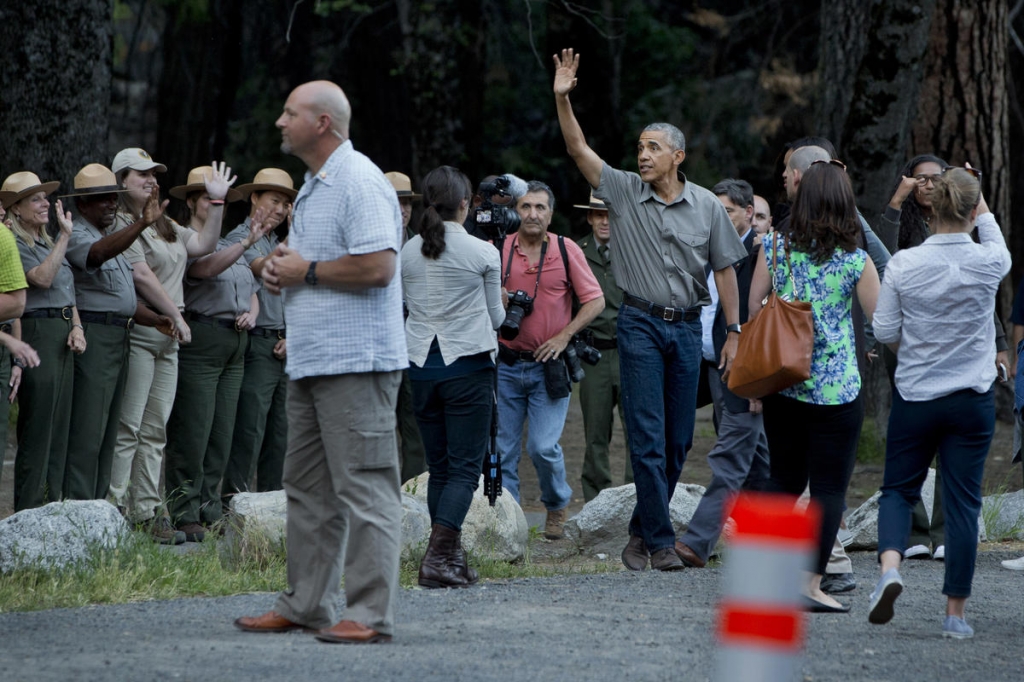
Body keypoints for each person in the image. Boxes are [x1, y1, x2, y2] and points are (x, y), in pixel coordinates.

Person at [553, 48, 747, 571]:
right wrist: (562, 99)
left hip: (686, 329)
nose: (643, 154)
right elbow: (577, 148)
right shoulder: (620, 190)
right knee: (645, 431)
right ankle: (661, 541)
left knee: (678, 437)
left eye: (654, 147)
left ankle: (639, 533)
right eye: (640, 146)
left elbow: (726, 270)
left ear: (677, 156)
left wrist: (734, 331)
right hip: (638, 323)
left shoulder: (707, 204)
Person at [235, 80, 406, 644]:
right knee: (306, 489)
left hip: (358, 362)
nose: (280, 122)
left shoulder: (360, 181)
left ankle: (369, 614)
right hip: (311, 361)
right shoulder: (315, 186)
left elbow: (380, 266)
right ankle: (306, 603)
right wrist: (278, 269)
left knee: (366, 486)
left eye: (290, 113)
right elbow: (312, 264)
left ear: (323, 123)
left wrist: (305, 271)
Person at [869, 167, 1010, 639]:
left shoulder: (905, 264)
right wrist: (977, 191)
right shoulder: (991, 260)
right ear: (972, 210)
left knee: (897, 490)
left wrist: (916, 347)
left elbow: (886, 330)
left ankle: (890, 569)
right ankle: (955, 615)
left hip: (917, 394)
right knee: (964, 502)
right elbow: (989, 229)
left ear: (930, 210)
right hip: (971, 398)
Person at [748, 160, 880, 612]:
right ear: (845, 204)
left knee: (782, 480)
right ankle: (808, 583)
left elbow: (755, 313)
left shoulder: (775, 247)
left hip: (784, 385)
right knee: (827, 492)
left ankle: (761, 579)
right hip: (836, 392)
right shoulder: (856, 261)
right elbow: (881, 324)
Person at [107, 156, 236, 544]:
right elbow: (141, 275)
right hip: (146, 329)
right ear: (121, 180)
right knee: (129, 426)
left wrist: (216, 203)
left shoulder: (165, 223)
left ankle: (146, 511)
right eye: (141, 175)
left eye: (154, 175)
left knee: (155, 429)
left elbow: (204, 244)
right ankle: (114, 511)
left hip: (170, 336)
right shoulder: (119, 224)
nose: (150, 180)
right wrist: (175, 316)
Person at [402, 165, 503, 588]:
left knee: (439, 468)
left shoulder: (407, 252)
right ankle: (437, 558)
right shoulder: (483, 253)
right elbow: (497, 317)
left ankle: (449, 558)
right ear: (465, 204)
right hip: (468, 367)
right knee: (465, 471)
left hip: (421, 368)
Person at [496, 180, 604, 540]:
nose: (532, 214)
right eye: (525, 207)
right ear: (515, 211)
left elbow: (595, 301)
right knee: (502, 449)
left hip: (550, 367)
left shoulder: (564, 247)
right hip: (507, 363)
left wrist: (564, 336)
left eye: (540, 207)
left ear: (551, 214)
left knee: (542, 447)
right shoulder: (499, 247)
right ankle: (509, 522)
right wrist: (494, 297)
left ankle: (557, 504)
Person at [62, 163, 173, 501]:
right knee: (89, 425)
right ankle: (80, 504)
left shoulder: (110, 235)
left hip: (120, 334)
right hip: (94, 336)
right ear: (83, 205)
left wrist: (154, 318)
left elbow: (120, 299)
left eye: (114, 198)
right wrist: (142, 224)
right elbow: (97, 256)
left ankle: (98, 505)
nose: (111, 204)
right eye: (103, 199)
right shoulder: (80, 234)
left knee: (110, 427)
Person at [676, 179, 770, 569]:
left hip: (746, 368)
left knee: (732, 452)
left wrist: (758, 380)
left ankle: (698, 541)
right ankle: (769, 536)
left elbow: (762, 320)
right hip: (706, 363)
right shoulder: (705, 247)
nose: (718, 216)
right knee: (759, 459)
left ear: (748, 213)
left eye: (727, 210)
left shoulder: (763, 254)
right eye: (714, 209)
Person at [163, 210, 266, 541]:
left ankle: (208, 509)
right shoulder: (186, 240)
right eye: (209, 198)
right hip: (203, 335)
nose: (218, 207)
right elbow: (206, 268)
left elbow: (252, 287)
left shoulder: (227, 242)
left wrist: (252, 313)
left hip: (234, 342)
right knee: (193, 429)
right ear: (192, 203)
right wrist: (247, 242)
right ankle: (183, 511)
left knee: (221, 432)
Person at [221, 169, 295, 505]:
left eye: (286, 203)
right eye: (275, 201)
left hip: (285, 342)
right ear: (254, 198)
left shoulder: (278, 241)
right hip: (258, 342)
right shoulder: (240, 237)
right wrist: (297, 233)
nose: (281, 209)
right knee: (249, 428)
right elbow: (264, 268)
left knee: (280, 433)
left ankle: (271, 506)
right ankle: (233, 502)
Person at [1, 172, 58, 509]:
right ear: (16, 209)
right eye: (35, 199)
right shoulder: (13, 241)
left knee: (52, 427)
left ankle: (46, 506)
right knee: (34, 427)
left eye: (44, 197)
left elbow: (16, 308)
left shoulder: (44, 241)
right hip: (29, 335)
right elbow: (36, 284)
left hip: (23, 338)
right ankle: (28, 508)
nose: (45, 203)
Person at [573, 192, 631, 502]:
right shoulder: (576, 252)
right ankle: (596, 500)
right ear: (590, 218)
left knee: (637, 430)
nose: (604, 221)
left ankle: (636, 497)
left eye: (610, 214)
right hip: (593, 354)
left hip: (630, 353)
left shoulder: (634, 250)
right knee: (595, 432)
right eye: (598, 214)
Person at [384, 170, 427, 483]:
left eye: (407, 203)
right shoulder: (364, 246)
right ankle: (379, 496)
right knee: (378, 423)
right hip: (377, 343)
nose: (402, 209)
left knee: (415, 423)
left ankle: (413, 493)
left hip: (414, 341)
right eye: (394, 202)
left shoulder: (424, 246)